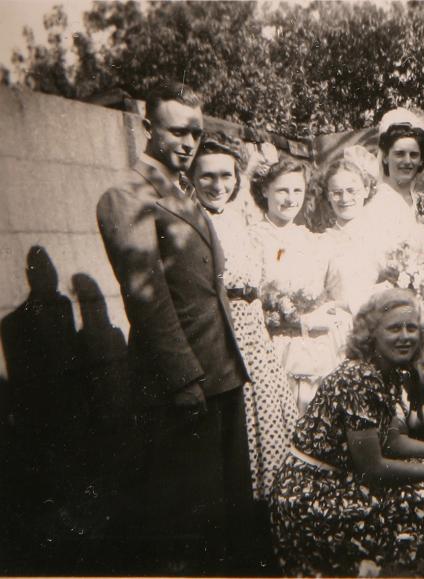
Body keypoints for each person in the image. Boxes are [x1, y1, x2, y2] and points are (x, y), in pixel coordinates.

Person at [95, 82, 252, 574]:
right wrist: (184, 380)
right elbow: (148, 298)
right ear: (148, 128)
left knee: (225, 512)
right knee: (187, 522)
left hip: (220, 372)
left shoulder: (181, 193)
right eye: (177, 131)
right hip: (182, 383)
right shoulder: (127, 196)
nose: (188, 142)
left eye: (196, 133)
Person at [269, 288, 424, 576]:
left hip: (340, 480)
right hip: (313, 493)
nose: (405, 336)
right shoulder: (360, 379)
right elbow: (372, 468)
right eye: (394, 328)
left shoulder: (387, 374)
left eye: (411, 328)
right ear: (372, 334)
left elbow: (388, 441)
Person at [188, 136, 294, 508]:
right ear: (191, 178)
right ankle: (243, 504)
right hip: (224, 332)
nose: (219, 185)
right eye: (207, 176)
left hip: (255, 331)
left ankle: (272, 502)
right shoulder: (191, 220)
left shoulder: (239, 219)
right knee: (238, 425)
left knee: (268, 414)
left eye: (226, 176)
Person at [250, 159, 347, 416]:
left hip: (315, 344)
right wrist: (295, 319)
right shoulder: (253, 238)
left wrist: (325, 312)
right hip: (273, 345)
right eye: (283, 190)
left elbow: (330, 291)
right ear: (265, 190)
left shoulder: (312, 240)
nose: (291, 198)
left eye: (297, 190)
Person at [312, 154, 391, 314]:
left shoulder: (382, 238)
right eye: (336, 192)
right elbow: (315, 297)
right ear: (328, 196)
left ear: (366, 190)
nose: (344, 198)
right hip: (340, 323)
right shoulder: (322, 243)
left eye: (351, 190)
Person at [365, 108, 424, 254]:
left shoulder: (420, 199)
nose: (407, 161)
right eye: (399, 154)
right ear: (385, 157)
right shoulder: (377, 204)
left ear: (421, 160)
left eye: (413, 155)